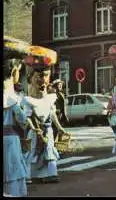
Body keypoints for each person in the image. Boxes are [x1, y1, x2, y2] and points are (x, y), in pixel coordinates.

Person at [23, 45, 70, 184]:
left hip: (48, 130)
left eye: (45, 76)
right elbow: (28, 117)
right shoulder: (28, 100)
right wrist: (34, 128)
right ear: (31, 78)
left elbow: (52, 114)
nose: (43, 80)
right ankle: (30, 175)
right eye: (39, 76)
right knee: (34, 152)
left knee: (49, 151)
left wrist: (60, 127)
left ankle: (51, 173)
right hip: (36, 132)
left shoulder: (50, 98)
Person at [3, 37, 42, 196]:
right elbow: (22, 120)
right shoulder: (12, 98)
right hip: (10, 139)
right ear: (13, 72)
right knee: (13, 171)